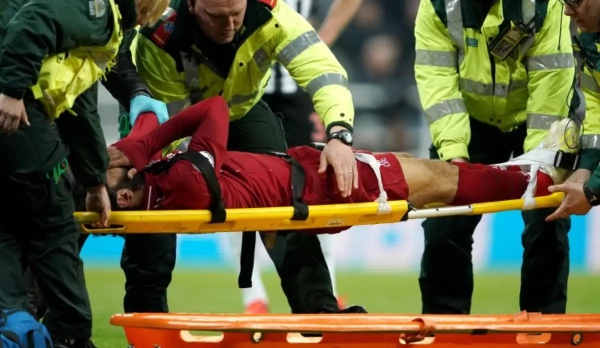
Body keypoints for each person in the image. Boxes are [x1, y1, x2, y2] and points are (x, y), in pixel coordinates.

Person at [124, 0, 363, 320]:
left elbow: (323, 71)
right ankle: (146, 320)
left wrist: (339, 133)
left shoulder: (273, 15)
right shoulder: (158, 36)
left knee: (286, 196)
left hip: (241, 112)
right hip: (167, 121)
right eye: (217, 17)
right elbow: (171, 121)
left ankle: (320, 311)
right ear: (192, 5)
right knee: (152, 209)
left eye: (236, 14)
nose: (229, 26)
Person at [104, 98, 571, 234]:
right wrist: (143, 148)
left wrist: (136, 142)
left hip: (308, 176)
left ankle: (523, 170)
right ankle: (543, 176)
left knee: (428, 173)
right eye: (109, 169)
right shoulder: (183, 181)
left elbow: (145, 130)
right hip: (327, 185)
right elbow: (216, 109)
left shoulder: (159, 189)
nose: (114, 158)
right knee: (442, 181)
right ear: (124, 194)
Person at [0, 0, 168, 348]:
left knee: (8, 225)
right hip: (18, 108)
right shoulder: (99, 11)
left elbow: (78, 107)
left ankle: (13, 324)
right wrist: (11, 91)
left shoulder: (96, 26)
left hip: (24, 108)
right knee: (54, 224)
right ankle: (69, 340)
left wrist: (93, 181)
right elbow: (31, 21)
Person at [414, 0, 577, 315]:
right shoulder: (436, 6)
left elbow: (551, 90)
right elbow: (438, 82)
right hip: (468, 124)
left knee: (548, 217)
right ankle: (446, 328)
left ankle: (543, 327)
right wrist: (454, 154)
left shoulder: (546, 5)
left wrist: (539, 165)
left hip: (540, 123)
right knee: (444, 224)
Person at [232, 0, 363, 314]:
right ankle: (253, 296)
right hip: (240, 93)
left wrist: (323, 38)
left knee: (315, 188)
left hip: (298, 90)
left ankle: (326, 292)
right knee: (236, 190)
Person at [546, 0, 600, 220]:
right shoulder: (589, 38)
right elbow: (596, 103)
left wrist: (592, 190)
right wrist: (586, 167)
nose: (567, 11)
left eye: (575, 1)